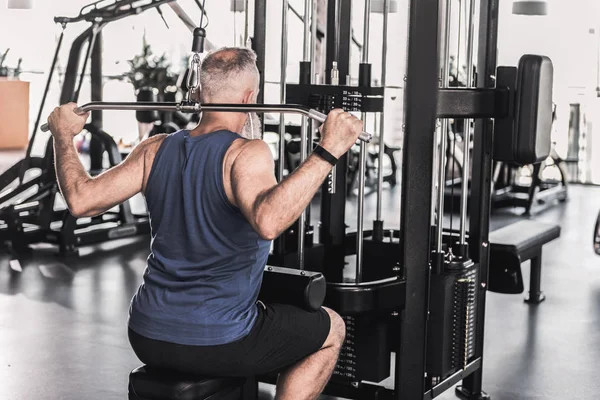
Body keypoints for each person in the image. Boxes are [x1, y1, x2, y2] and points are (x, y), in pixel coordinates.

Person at [46, 47, 363, 400]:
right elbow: (269, 222)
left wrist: (63, 135)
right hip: (220, 340)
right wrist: (328, 150)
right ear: (249, 98)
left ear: (198, 93)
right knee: (331, 327)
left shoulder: (154, 149)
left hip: (146, 334)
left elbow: (80, 199)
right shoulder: (247, 152)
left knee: (268, 321)